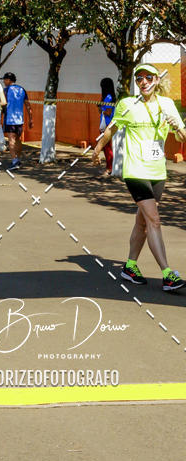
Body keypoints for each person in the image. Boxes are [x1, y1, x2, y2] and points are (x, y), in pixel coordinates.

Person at [92, 63, 186, 292]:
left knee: (143, 222)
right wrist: (97, 150)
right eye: (139, 78)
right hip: (135, 171)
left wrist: (177, 128)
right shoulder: (127, 104)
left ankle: (130, 266)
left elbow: (183, 138)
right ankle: (167, 274)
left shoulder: (166, 105)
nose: (143, 81)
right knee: (154, 219)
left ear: (156, 80)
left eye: (148, 77)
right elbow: (110, 130)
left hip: (157, 172)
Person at [2, 72, 33, 169]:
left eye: (4, 79)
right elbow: (28, 105)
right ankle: (18, 159)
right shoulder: (22, 89)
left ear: (9, 80)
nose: (3, 81)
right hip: (20, 120)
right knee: (18, 140)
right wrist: (31, 119)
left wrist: (0, 117)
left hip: (9, 120)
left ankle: (15, 161)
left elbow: (3, 105)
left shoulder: (5, 91)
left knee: (11, 140)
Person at [97, 77, 116, 177]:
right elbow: (102, 111)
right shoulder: (107, 97)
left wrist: (102, 109)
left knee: (108, 148)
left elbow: (108, 112)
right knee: (106, 148)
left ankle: (110, 169)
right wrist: (100, 108)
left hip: (107, 126)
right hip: (104, 125)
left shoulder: (108, 97)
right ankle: (108, 167)